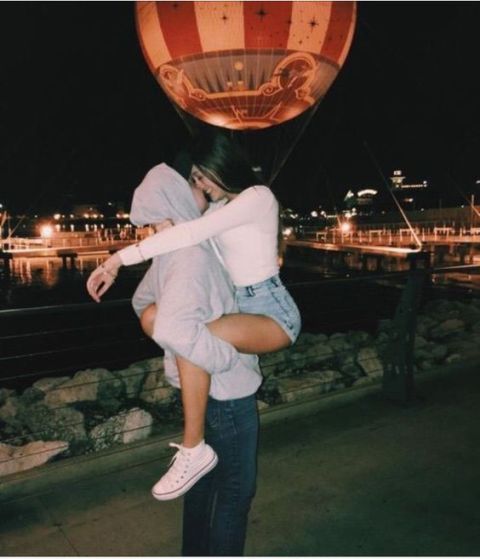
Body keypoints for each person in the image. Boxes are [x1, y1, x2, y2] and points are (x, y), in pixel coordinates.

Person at [87, 133, 301, 499]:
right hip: (240, 307)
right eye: (195, 179)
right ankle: (197, 409)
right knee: (170, 323)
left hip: (271, 312)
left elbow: (195, 232)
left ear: (222, 166)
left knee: (184, 332)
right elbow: (190, 235)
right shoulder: (218, 210)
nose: (200, 185)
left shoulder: (257, 198)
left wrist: (117, 260)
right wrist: (167, 227)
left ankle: (193, 447)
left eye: (202, 177)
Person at [127, 161, 262, 555]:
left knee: (202, 490)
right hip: (227, 393)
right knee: (236, 494)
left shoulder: (172, 253)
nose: (202, 191)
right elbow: (169, 326)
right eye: (194, 187)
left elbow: (144, 306)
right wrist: (226, 353)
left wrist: (169, 333)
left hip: (198, 391)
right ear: (178, 198)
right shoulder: (193, 256)